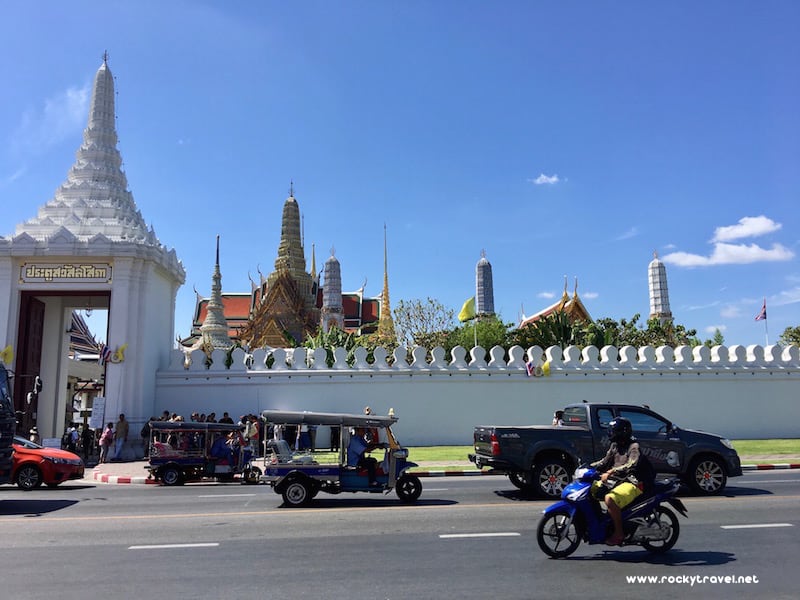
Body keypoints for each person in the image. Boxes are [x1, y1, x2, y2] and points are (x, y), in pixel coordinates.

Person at [589, 417, 643, 546]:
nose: (610, 434)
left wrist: (612, 471)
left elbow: (631, 464)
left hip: (632, 482)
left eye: (613, 431)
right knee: (589, 490)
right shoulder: (615, 445)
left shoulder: (634, 447)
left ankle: (619, 533)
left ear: (622, 432)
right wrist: (589, 467)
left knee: (610, 499)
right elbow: (604, 462)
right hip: (617, 481)